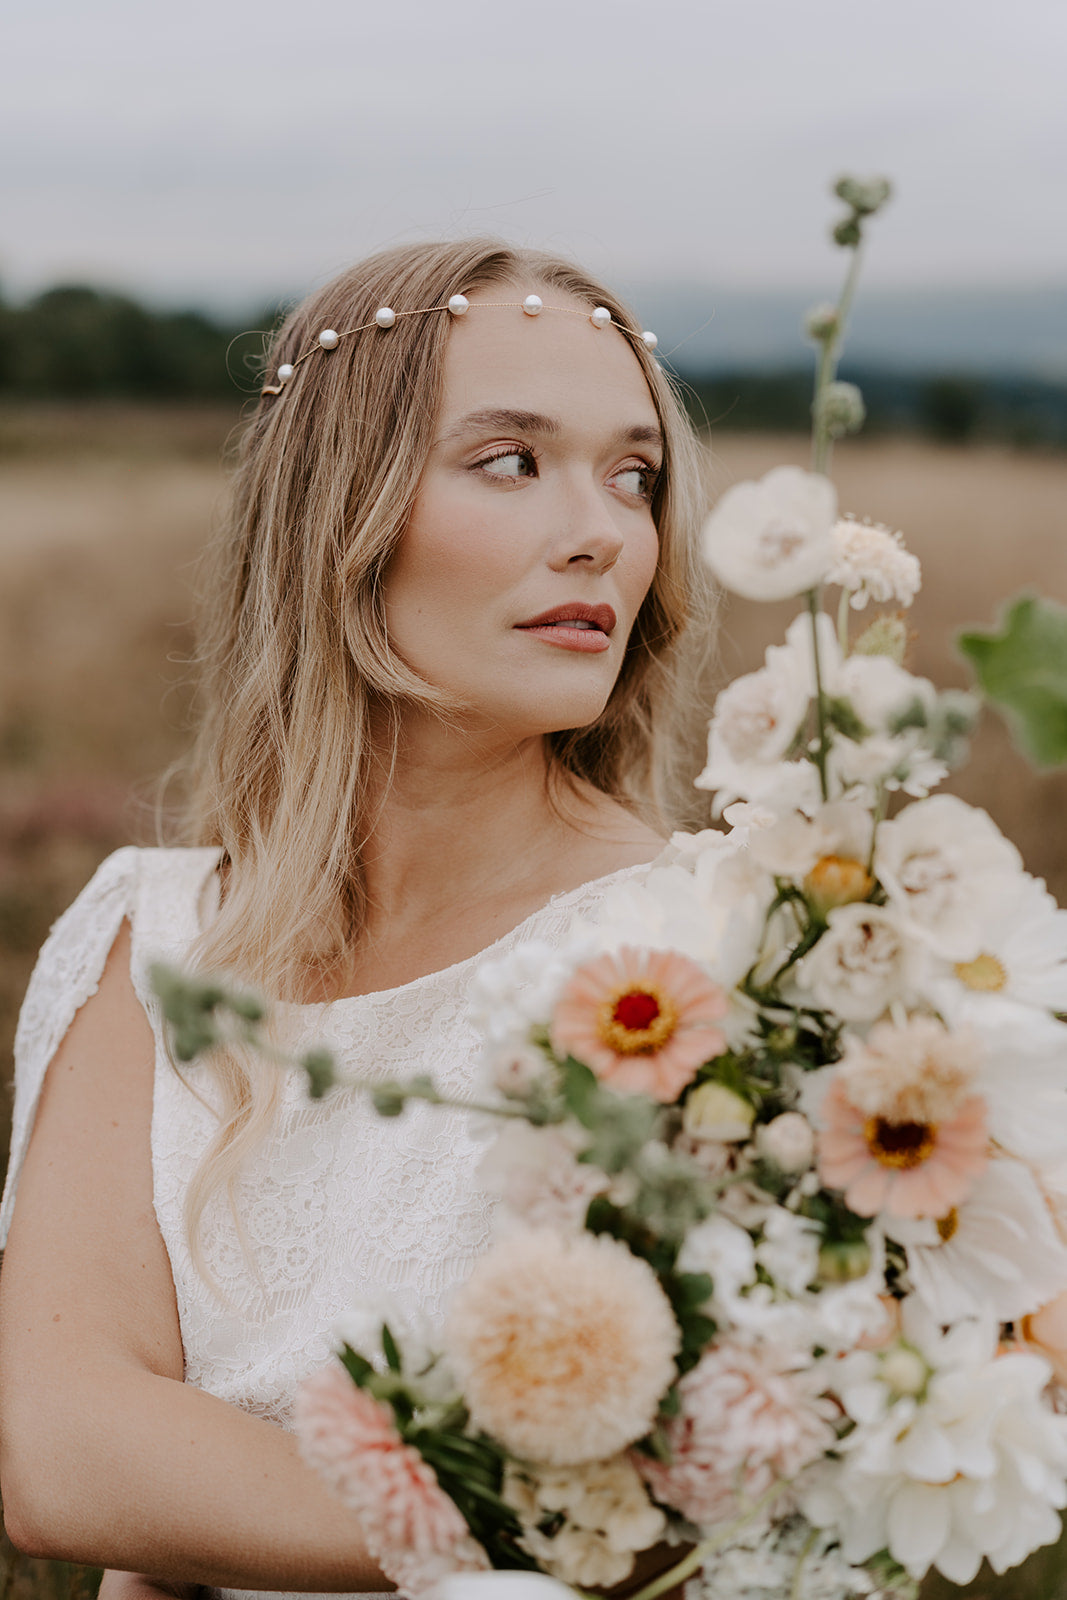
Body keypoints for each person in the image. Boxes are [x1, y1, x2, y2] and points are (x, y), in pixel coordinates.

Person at [0, 240, 710, 1599]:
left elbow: (687, 1500)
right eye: (513, 461)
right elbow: (62, 1450)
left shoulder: (697, 958)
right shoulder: (147, 941)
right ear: (342, 514)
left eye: (637, 474)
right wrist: (516, 1532)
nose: (605, 531)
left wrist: (191, 1513)